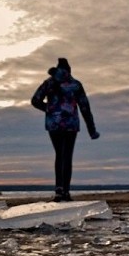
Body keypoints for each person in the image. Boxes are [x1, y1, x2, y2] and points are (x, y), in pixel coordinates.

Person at [31, 58, 99, 202]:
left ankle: (58, 191)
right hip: (70, 125)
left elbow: (35, 100)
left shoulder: (49, 83)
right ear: (69, 70)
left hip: (54, 124)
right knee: (67, 156)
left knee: (59, 155)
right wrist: (92, 130)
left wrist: (50, 109)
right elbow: (85, 108)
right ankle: (66, 192)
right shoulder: (75, 85)